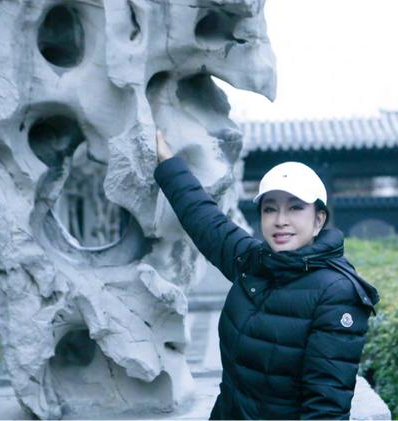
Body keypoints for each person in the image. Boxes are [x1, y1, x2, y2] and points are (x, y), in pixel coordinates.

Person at [153, 130, 379, 420]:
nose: (280, 220)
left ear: (318, 219)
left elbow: (325, 410)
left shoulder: (337, 294)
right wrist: (168, 164)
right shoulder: (255, 262)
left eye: (295, 208)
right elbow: (205, 220)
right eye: (270, 209)